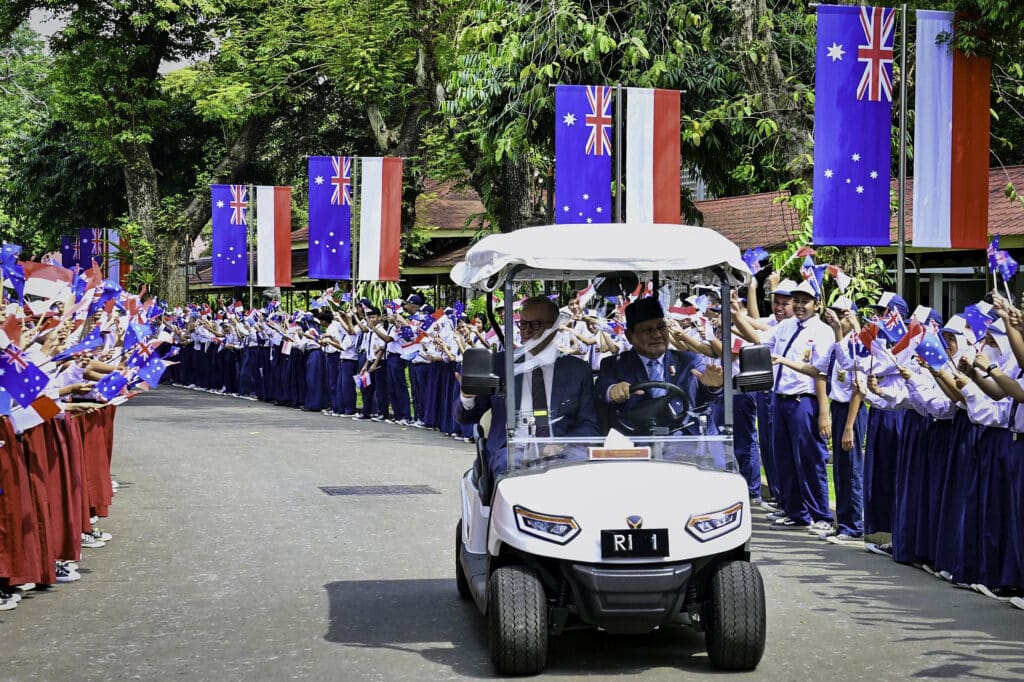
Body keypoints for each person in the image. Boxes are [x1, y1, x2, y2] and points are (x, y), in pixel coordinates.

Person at [455, 295, 599, 477]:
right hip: (511, 450)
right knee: (508, 465)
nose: (526, 331)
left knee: (584, 467)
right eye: (522, 324)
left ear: (554, 328)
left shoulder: (577, 370)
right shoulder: (499, 365)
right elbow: (466, 417)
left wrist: (563, 443)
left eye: (535, 325)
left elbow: (589, 425)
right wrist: (468, 397)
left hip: (563, 450)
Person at [595, 297, 723, 435]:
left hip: (685, 438)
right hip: (635, 439)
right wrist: (613, 391)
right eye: (647, 330)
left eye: (661, 328)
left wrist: (714, 386)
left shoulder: (689, 361)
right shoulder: (614, 365)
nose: (657, 335)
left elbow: (710, 396)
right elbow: (603, 391)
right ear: (630, 336)